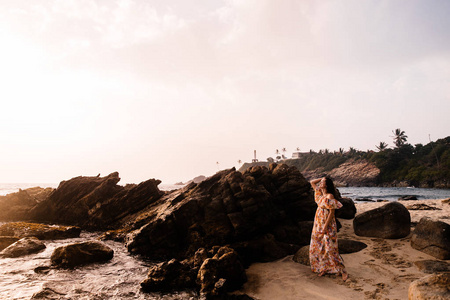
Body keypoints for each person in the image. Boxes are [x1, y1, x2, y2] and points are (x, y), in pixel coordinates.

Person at [309, 176, 348, 281]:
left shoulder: (329, 196)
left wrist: (325, 226)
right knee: (319, 247)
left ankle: (343, 271)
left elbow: (332, 213)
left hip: (327, 224)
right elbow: (312, 181)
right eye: (321, 182)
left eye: (322, 182)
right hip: (318, 223)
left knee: (331, 249)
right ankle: (324, 268)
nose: (320, 183)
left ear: (327, 185)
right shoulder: (320, 195)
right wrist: (322, 178)